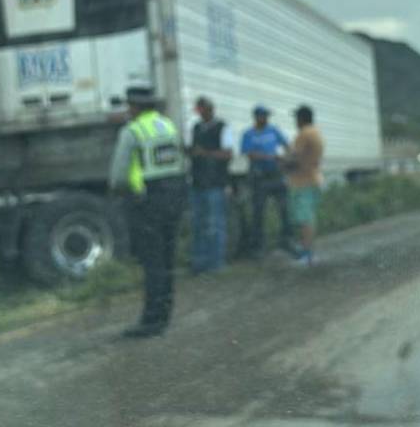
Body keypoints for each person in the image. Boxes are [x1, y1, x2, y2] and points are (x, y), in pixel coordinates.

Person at [107, 86, 186, 338]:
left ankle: (151, 320)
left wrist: (121, 193)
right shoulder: (168, 126)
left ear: (135, 107)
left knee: (152, 261)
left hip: (147, 201)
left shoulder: (133, 131)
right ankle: (164, 314)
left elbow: (119, 176)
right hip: (173, 196)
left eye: (129, 106)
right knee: (167, 259)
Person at [188, 97, 234, 273]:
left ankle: (216, 263)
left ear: (210, 110)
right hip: (198, 182)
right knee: (198, 224)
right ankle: (200, 262)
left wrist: (205, 153)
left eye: (203, 109)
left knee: (215, 224)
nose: (201, 113)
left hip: (216, 183)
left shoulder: (223, 127)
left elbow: (228, 154)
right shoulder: (196, 128)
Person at [240, 105, 291, 258]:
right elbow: (249, 154)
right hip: (259, 177)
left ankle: (287, 239)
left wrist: (286, 160)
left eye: (267, 116)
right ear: (257, 117)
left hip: (276, 175)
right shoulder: (249, 134)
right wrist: (270, 157)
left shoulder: (273, 130)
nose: (266, 119)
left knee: (284, 208)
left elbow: (287, 146)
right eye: (264, 116)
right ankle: (258, 246)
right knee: (258, 212)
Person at [283, 104, 324, 267]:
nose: (295, 121)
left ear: (301, 118)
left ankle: (307, 255)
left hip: (303, 182)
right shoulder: (316, 132)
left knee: (304, 220)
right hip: (313, 179)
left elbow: (294, 157)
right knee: (308, 218)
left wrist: (281, 162)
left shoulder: (304, 134)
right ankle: (309, 253)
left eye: (296, 118)